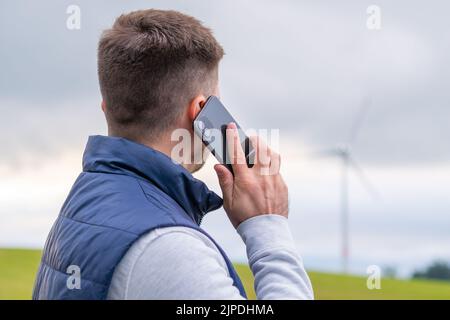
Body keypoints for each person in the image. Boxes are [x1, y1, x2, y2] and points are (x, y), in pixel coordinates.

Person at [32, 9, 313, 300]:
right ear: (200, 111)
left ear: (106, 107)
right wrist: (269, 227)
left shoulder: (84, 201)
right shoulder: (169, 249)